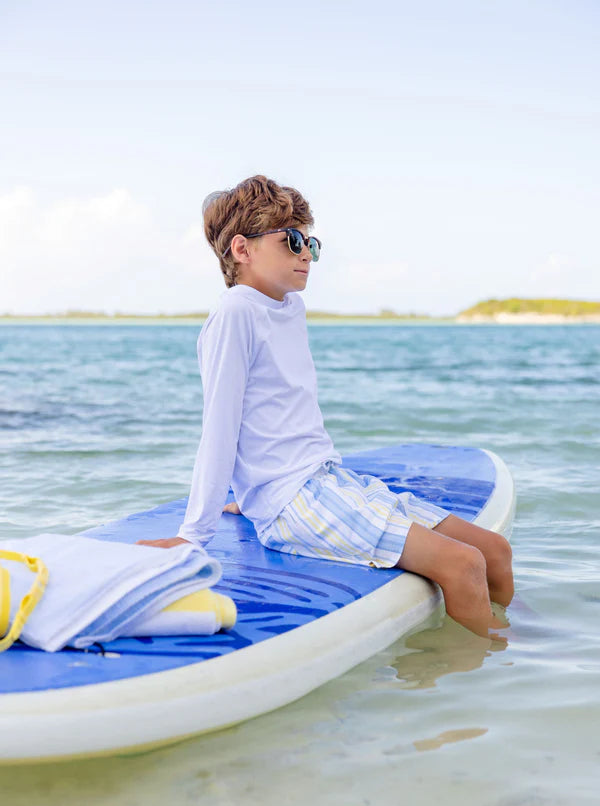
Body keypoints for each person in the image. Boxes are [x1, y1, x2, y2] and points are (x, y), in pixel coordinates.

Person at [138, 175, 513, 639]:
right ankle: (486, 665)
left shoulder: (288, 308)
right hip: (294, 501)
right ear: (242, 249)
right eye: (292, 241)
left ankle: (519, 648)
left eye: (310, 244)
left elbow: (278, 415)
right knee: (463, 563)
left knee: (494, 551)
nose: (306, 255)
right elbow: (220, 427)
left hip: (327, 479)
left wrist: (247, 494)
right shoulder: (236, 312)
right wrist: (196, 534)